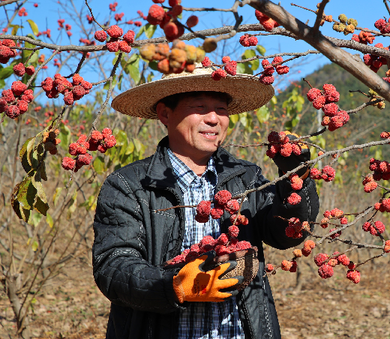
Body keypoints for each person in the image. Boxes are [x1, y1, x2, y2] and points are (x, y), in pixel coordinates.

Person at [92, 65, 320, 339]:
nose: (213, 119)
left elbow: (285, 234)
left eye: (221, 110)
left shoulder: (246, 177)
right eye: (199, 107)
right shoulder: (130, 184)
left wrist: (295, 178)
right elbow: (113, 266)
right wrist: (173, 285)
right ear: (165, 113)